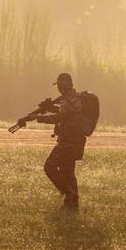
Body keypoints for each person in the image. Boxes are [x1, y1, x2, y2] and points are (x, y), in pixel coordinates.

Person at [33, 73, 86, 210]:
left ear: (67, 85)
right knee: (67, 171)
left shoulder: (69, 100)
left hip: (68, 142)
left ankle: (70, 195)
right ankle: (72, 205)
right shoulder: (73, 99)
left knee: (49, 167)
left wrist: (38, 117)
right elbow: (67, 114)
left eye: (61, 85)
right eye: (59, 86)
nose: (60, 88)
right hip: (74, 141)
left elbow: (59, 118)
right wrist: (52, 108)